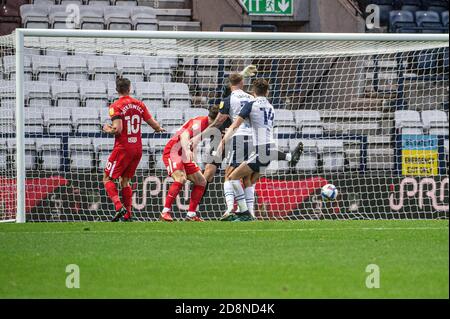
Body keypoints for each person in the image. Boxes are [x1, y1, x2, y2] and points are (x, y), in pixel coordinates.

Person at [218, 78, 293, 222]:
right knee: (248, 180)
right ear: (268, 91)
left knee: (232, 177)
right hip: (266, 147)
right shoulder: (271, 107)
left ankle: (241, 211)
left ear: (253, 91)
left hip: (256, 149)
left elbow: (235, 125)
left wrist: (223, 140)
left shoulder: (250, 105)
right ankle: (248, 212)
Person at [103, 77, 165, 222]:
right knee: (125, 181)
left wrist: (107, 129)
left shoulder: (115, 106)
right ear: (129, 89)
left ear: (117, 90)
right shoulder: (139, 104)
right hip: (137, 148)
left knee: (107, 178)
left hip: (123, 147)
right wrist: (159, 128)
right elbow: (154, 125)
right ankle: (128, 215)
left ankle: (119, 207)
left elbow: (117, 130)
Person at [160, 105, 220, 222]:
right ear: (217, 119)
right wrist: (187, 150)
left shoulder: (208, 125)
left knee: (202, 181)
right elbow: (184, 135)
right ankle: (165, 212)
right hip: (174, 151)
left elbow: (195, 141)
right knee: (181, 178)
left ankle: (191, 215)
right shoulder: (200, 123)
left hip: (185, 154)